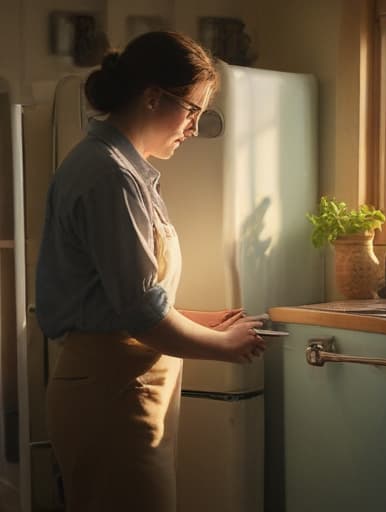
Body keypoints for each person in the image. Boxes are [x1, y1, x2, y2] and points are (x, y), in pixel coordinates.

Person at [35, 31, 266, 512]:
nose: (195, 128)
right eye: (193, 110)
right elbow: (141, 316)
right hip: (111, 398)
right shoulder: (111, 176)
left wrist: (203, 321)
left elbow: (122, 300)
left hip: (125, 393)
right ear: (153, 97)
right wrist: (226, 346)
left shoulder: (125, 170)